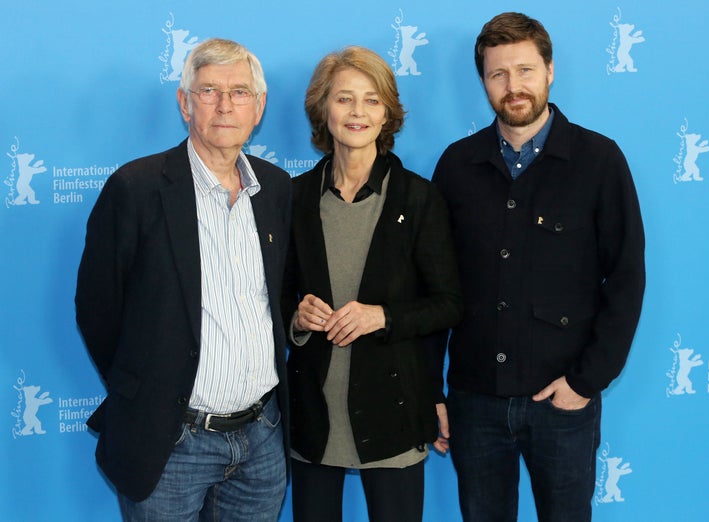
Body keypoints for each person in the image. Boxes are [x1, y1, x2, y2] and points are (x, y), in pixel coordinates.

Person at [432, 12, 645, 522]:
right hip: (474, 401)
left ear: (550, 71)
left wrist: (586, 382)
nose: (513, 87)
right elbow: (433, 287)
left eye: (525, 70)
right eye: (498, 74)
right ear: (483, 81)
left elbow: (627, 276)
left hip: (563, 401)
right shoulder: (456, 166)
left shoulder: (599, 160)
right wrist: (431, 393)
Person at [75, 38, 291, 521]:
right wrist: (148, 388)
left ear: (258, 107)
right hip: (172, 442)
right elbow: (98, 310)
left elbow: (275, 298)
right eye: (209, 90)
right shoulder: (136, 188)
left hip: (262, 437)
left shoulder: (275, 189)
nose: (224, 104)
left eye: (239, 92)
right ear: (184, 102)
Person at [282, 46, 463, 522]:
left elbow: (448, 304)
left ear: (388, 113)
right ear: (323, 108)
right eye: (344, 99)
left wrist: (381, 315)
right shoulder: (293, 198)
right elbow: (274, 300)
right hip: (314, 418)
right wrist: (296, 318)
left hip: (396, 412)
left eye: (372, 100)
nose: (357, 112)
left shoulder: (420, 198)